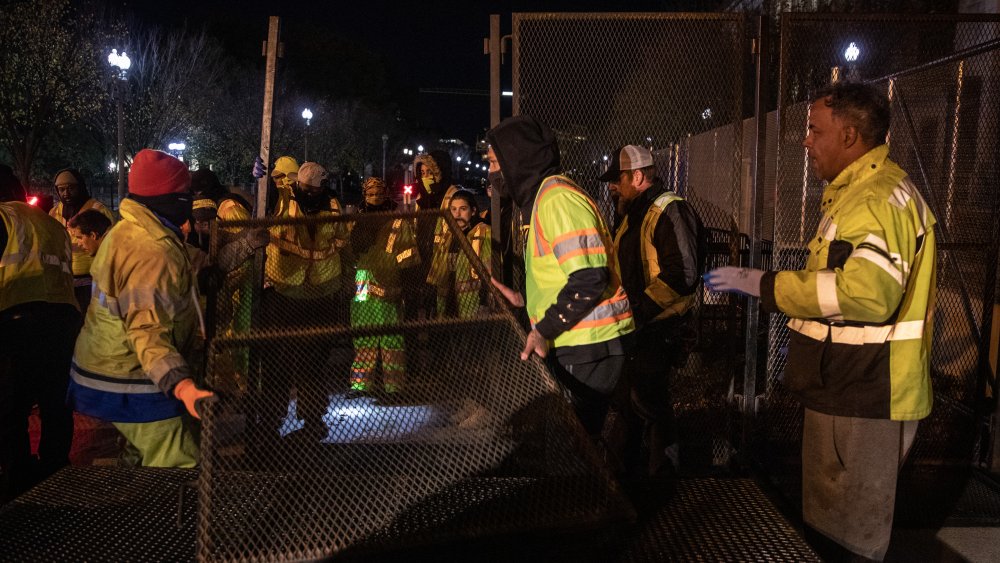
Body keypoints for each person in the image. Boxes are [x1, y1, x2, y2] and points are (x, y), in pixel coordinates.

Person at [706, 82, 936, 561]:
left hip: (864, 390)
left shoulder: (874, 199)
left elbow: (868, 296)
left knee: (849, 540)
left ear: (850, 135)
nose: (806, 140)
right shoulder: (859, 194)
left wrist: (764, 285)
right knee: (834, 526)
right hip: (849, 387)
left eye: (814, 129)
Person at [486, 116, 635, 438]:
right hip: (577, 342)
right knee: (575, 448)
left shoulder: (557, 200)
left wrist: (544, 330)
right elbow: (567, 276)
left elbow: (590, 277)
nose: (491, 172)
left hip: (588, 346)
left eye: (495, 163)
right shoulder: (542, 200)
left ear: (517, 159)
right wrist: (523, 301)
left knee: (573, 449)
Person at [67, 149, 214, 468]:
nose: (189, 199)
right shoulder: (150, 250)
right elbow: (147, 331)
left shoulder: (135, 231)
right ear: (166, 197)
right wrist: (184, 387)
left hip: (116, 366)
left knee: (140, 454)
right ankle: (171, 516)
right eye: (184, 193)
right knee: (180, 462)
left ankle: (130, 504)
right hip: (130, 374)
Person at [600, 144, 703, 478]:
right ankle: (631, 476)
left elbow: (684, 275)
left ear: (639, 176)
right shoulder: (633, 212)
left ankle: (663, 479)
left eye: (619, 179)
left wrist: (637, 311)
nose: (612, 186)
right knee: (634, 403)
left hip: (659, 327)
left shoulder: (667, 209)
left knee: (649, 404)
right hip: (638, 325)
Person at [0, 164, 80, 501]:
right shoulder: (53, 223)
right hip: (63, 320)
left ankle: (19, 475)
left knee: (12, 406)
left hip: (16, 319)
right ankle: (56, 470)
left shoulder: (4, 217)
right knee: (55, 403)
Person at [262, 161, 349, 441]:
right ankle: (271, 421)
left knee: (313, 363)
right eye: (304, 188)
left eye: (314, 189)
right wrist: (259, 179)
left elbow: (341, 239)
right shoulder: (283, 199)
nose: (308, 193)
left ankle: (312, 421)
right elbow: (264, 203)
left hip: (320, 293)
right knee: (280, 361)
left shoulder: (333, 203)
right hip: (286, 291)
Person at [349, 177, 420, 397]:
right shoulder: (356, 220)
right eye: (371, 194)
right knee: (364, 337)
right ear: (364, 195)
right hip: (363, 285)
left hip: (390, 283)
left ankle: (394, 387)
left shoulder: (398, 221)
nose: (375, 197)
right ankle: (360, 385)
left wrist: (406, 285)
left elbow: (408, 256)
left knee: (392, 340)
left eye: (378, 193)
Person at [49, 168, 115, 310]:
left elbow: (112, 246)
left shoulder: (98, 210)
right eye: (61, 189)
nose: (66, 193)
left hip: (92, 282)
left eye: (71, 188)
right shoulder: (54, 212)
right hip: (65, 283)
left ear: (80, 187)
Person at [426, 189, 491, 318]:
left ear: (473, 211)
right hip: (447, 302)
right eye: (453, 209)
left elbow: (489, 272)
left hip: (473, 303)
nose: (457, 214)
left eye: (463, 209)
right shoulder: (448, 234)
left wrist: (484, 303)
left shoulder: (484, 232)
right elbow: (438, 269)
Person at [412, 150, 459, 319]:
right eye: (422, 173)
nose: (425, 177)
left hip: (444, 262)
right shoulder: (421, 199)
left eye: (430, 172)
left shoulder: (452, 195)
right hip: (425, 258)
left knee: (444, 307)